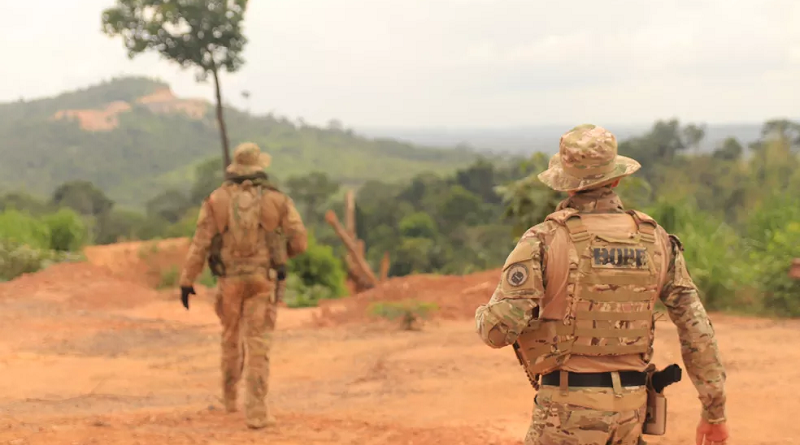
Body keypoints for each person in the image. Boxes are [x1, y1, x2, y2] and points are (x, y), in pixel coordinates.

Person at [475, 124, 728, 445]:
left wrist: (483, 315)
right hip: (631, 413)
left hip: (565, 414)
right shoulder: (655, 239)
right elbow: (697, 329)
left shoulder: (544, 239)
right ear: (616, 178)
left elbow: (498, 332)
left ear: (566, 183)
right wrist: (714, 412)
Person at [178, 142, 307, 429]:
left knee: (230, 337)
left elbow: (200, 244)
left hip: (229, 280)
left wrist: (187, 280)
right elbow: (299, 241)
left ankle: (229, 400)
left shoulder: (216, 200)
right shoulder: (277, 200)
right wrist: (279, 256)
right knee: (258, 342)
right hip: (262, 279)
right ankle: (257, 412)